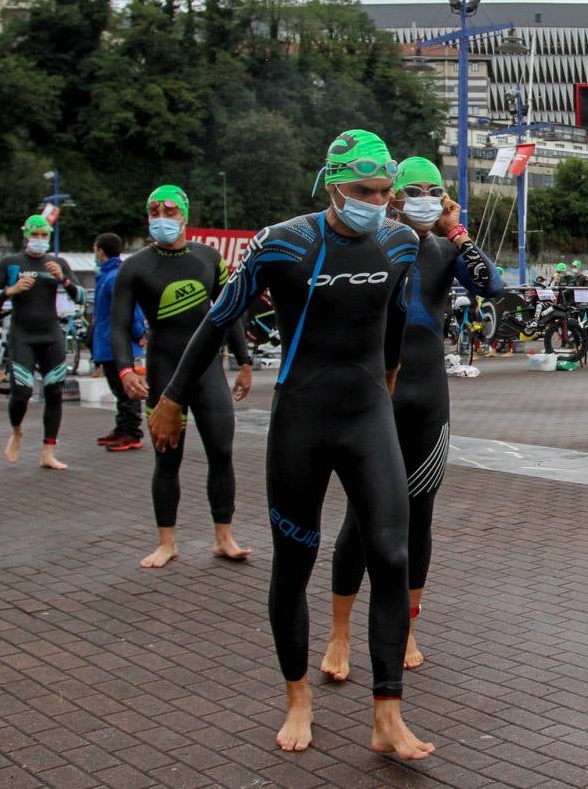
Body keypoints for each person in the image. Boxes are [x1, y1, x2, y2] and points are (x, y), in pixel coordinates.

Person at [149, 129, 433, 759]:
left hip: (368, 417)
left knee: (391, 555)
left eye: (386, 192)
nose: (378, 202)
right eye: (365, 191)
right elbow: (218, 320)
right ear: (333, 185)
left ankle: (387, 715)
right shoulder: (284, 243)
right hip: (302, 421)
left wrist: (386, 388)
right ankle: (297, 697)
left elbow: (392, 318)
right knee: (294, 566)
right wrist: (171, 399)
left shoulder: (401, 241)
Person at [322, 156, 501, 680]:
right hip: (374, 398)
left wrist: (455, 230)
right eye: (412, 189)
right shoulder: (372, 246)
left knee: (418, 518)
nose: (423, 195)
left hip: (428, 402)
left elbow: (490, 286)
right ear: (393, 196)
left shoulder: (445, 251)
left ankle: (407, 625)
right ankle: (339, 632)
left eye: (434, 189)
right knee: (362, 518)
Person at [111, 187, 253, 567]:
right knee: (167, 458)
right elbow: (119, 326)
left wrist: (244, 361)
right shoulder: (135, 267)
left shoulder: (210, 258)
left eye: (169, 210)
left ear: (184, 216)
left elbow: (231, 311)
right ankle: (166, 542)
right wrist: (125, 370)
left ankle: (223, 536)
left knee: (221, 452)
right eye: (153, 210)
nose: (161, 216)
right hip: (163, 368)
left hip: (208, 371)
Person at [0, 215, 80, 469]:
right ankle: (17, 430)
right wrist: (11, 291)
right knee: (21, 392)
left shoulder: (58, 262)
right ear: (26, 236)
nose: (40, 240)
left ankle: (48, 452)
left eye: (45, 235)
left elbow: (81, 296)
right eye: (36, 235)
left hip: (51, 334)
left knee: (54, 392)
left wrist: (63, 279)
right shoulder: (10, 263)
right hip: (23, 334)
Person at [91, 233, 147, 450]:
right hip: (106, 343)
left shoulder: (115, 277)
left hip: (117, 344)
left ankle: (132, 432)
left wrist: (137, 332)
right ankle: (123, 428)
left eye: (95, 249)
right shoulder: (107, 276)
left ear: (100, 251)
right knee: (119, 390)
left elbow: (130, 310)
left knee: (127, 391)